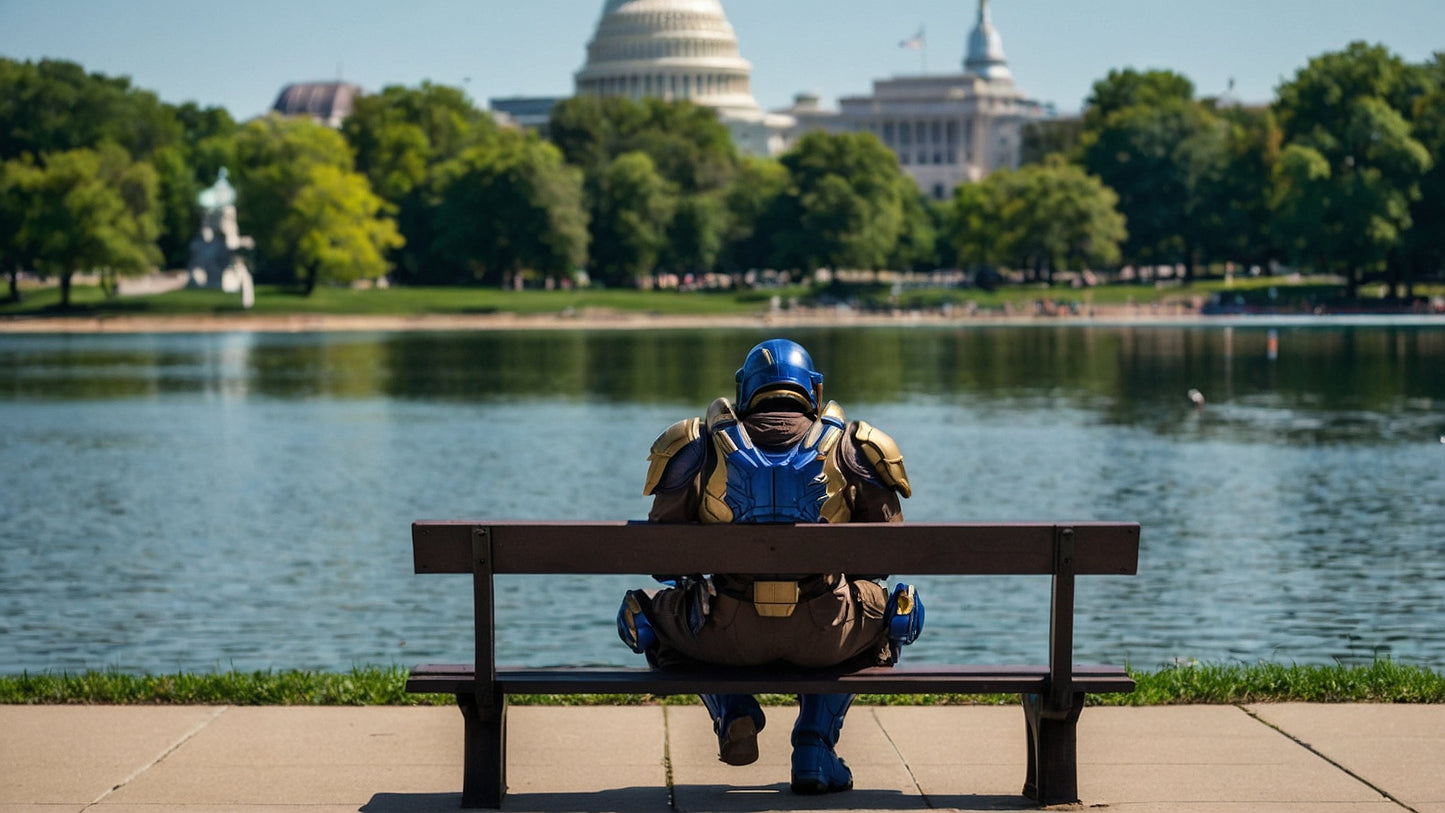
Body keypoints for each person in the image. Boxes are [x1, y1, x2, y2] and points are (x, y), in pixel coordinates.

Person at [616, 338, 923, 795]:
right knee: (898, 613)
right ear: (813, 391)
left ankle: (733, 708)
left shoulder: (695, 445)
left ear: (745, 390)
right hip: (827, 631)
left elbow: (663, 561)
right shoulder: (859, 447)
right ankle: (814, 747)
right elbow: (886, 557)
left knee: (644, 617)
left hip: (724, 634)